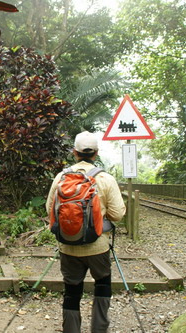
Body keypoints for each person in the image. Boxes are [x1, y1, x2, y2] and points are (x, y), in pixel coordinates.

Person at [46, 131, 126, 333]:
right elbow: (117, 214)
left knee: (71, 291)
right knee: (102, 283)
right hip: (98, 245)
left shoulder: (61, 178)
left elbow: (50, 210)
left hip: (68, 246)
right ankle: (99, 329)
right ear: (96, 154)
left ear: (74, 152)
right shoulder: (106, 179)